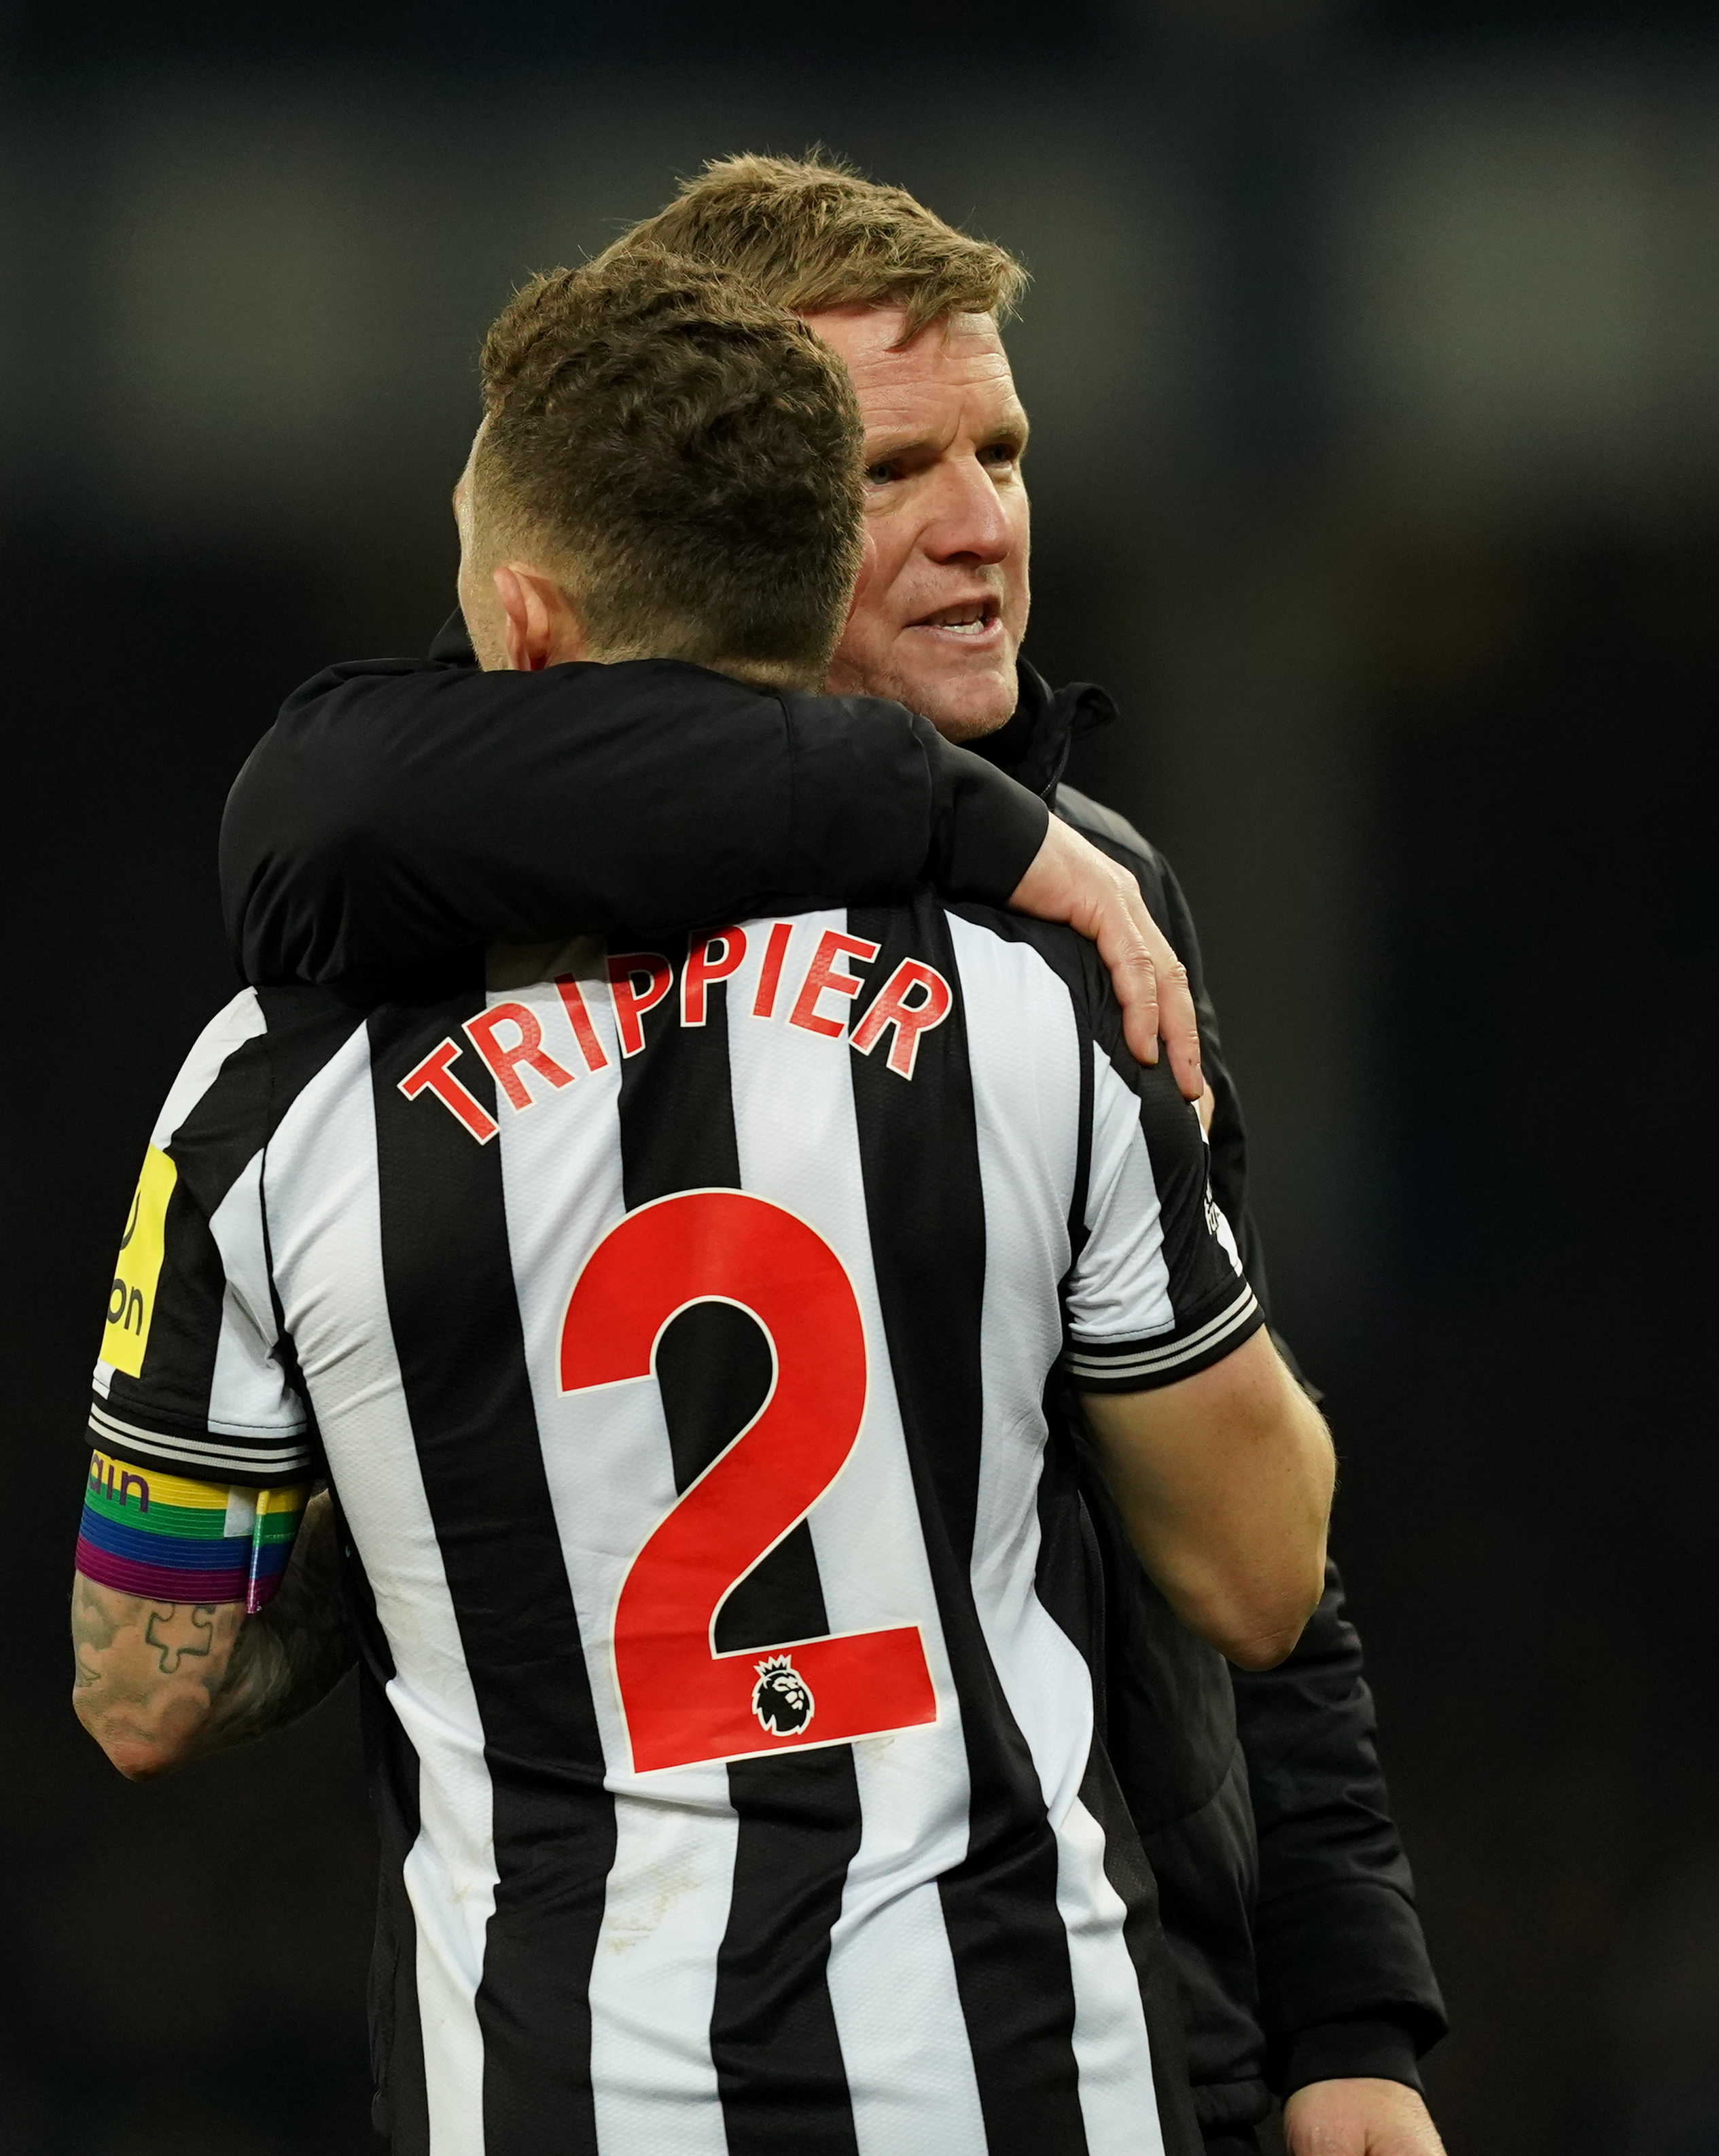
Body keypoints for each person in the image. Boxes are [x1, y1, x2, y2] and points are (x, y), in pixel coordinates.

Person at [219, 158, 1449, 2155]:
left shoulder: (1088, 908)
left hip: (1112, 2003)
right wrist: (950, 815)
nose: (982, 529)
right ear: (734, 500)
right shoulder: (449, 880)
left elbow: (1231, 1530)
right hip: (614, 2010)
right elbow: (316, 805)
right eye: (891, 472)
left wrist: (1351, 2023)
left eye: (1005, 450)